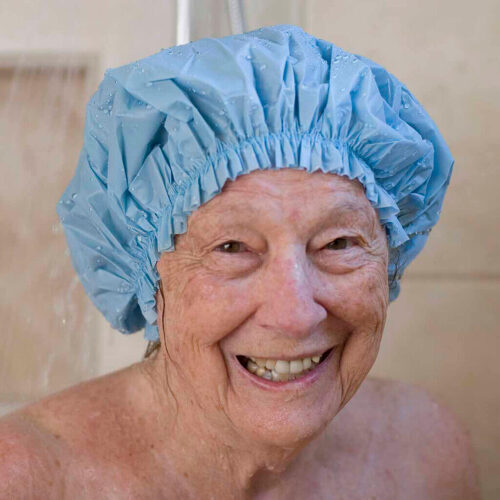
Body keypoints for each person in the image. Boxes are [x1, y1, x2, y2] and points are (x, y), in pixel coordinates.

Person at [0, 25, 479, 498]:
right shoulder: (28, 480)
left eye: (338, 243)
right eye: (232, 248)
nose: (295, 316)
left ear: (389, 259)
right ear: (149, 274)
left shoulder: (426, 453)